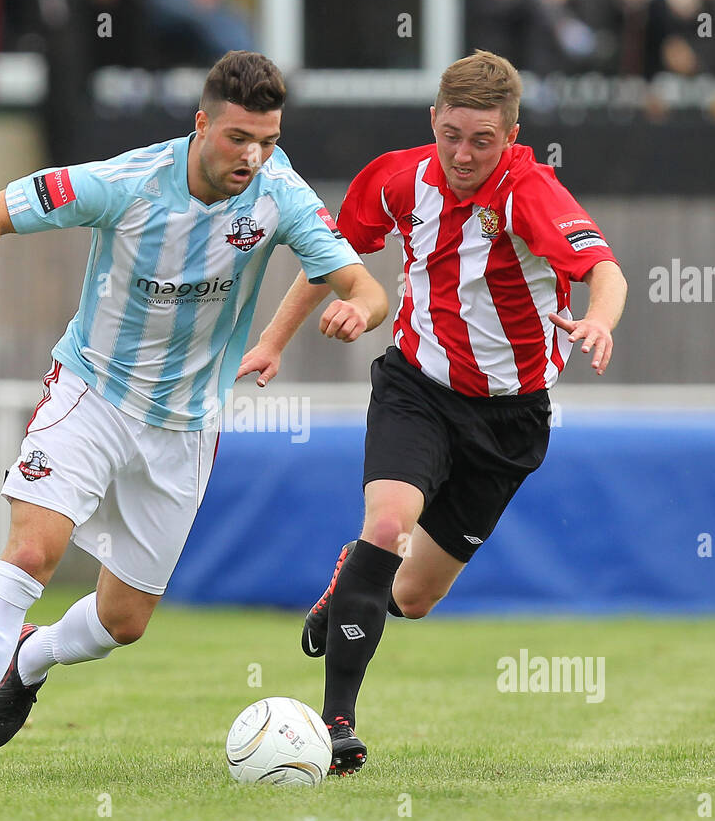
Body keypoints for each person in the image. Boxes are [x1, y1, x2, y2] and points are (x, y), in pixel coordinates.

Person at [0, 50, 388, 785]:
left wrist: (359, 308)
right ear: (201, 124)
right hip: (89, 395)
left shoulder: (279, 195)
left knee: (123, 622)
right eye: (238, 139)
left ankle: (30, 659)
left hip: (185, 428)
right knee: (31, 554)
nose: (253, 157)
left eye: (268, 141)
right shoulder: (125, 183)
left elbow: (365, 284)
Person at [240, 50, 628, 774]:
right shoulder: (398, 176)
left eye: (483, 140)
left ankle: (347, 583)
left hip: (510, 421)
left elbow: (603, 268)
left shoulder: (531, 193)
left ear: (511, 137)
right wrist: (271, 340)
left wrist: (600, 320)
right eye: (451, 133)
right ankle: (336, 726)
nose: (463, 153)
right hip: (416, 387)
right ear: (433, 121)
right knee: (386, 525)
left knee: (412, 596)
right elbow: (334, 255)